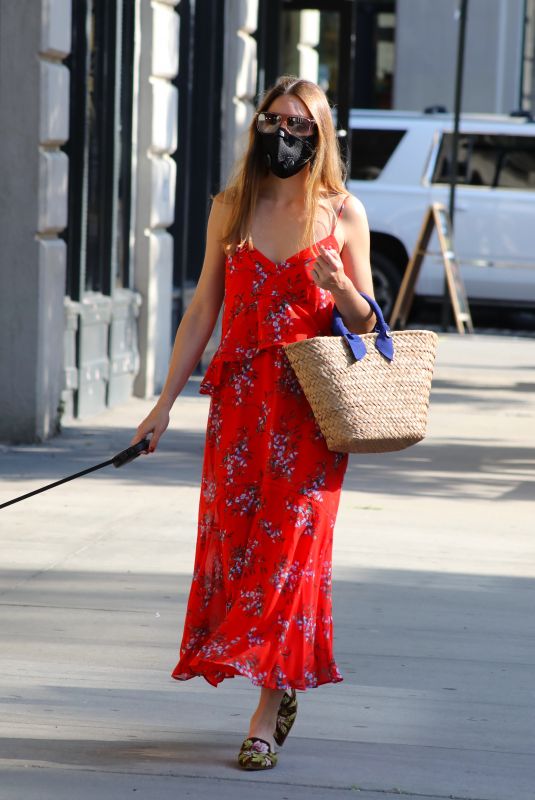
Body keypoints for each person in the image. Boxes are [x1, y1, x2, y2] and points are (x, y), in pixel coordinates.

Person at [131, 75, 376, 771]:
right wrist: (162, 404)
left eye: (301, 126)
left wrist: (337, 287)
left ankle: (266, 712)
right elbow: (202, 311)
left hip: (308, 416)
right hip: (237, 412)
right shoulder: (230, 209)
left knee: (287, 560)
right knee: (239, 557)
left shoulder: (341, 213)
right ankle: (277, 685)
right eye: (274, 121)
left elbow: (370, 326)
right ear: (257, 125)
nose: (285, 136)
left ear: (320, 136)